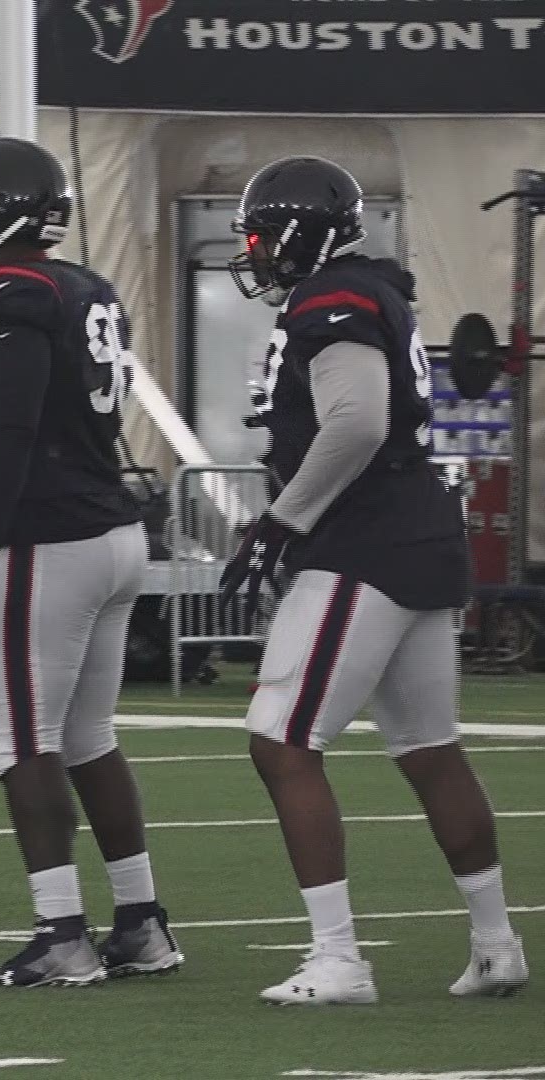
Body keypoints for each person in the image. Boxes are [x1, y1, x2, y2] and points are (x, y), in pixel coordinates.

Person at [224, 155, 528, 1004]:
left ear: (300, 232)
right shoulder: (369, 289)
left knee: (282, 740)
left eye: (261, 233)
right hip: (418, 529)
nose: (253, 249)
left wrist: (283, 520)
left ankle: (338, 959)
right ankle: (497, 943)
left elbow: (357, 421)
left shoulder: (332, 299)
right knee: (431, 750)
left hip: (367, 539)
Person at [0, 136, 180, 988]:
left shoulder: (10, 292)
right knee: (87, 737)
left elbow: (8, 428)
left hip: (47, 536)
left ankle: (62, 936)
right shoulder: (84, 285)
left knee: (21, 738)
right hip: (110, 527)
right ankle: (141, 923)